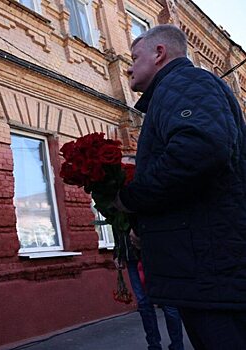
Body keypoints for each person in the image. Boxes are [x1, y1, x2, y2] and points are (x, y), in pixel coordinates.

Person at [115, 24, 246, 349]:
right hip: (208, 267)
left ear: (159, 54)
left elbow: (201, 148)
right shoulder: (176, 90)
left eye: (134, 57)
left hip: (211, 269)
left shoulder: (186, 82)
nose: (129, 66)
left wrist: (132, 198)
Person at [114, 228, 184, 350]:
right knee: (144, 303)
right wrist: (118, 253)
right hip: (131, 257)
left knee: (168, 302)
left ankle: (177, 346)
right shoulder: (115, 209)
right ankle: (153, 345)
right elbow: (117, 226)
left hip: (156, 254)